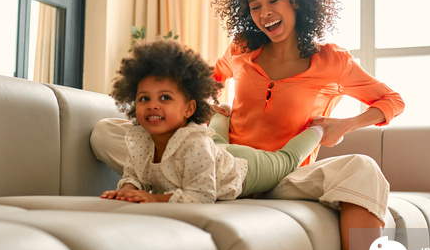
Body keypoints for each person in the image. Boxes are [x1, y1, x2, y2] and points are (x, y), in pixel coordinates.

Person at [91, 0, 404, 250]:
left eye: (273, 1)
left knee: (363, 169)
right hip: (218, 165)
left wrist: (343, 125)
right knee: (105, 130)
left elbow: (392, 101)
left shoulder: (332, 62)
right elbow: (208, 80)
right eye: (255, 6)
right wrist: (208, 109)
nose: (264, 12)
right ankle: (190, 186)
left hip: (285, 176)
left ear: (296, 1)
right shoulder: (242, 48)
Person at [100, 38, 323, 204]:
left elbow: (201, 195)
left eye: (165, 97)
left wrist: (154, 199)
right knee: (216, 142)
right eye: (144, 98)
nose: (153, 105)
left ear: (189, 108)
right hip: (215, 153)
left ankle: (320, 129)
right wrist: (126, 190)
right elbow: (134, 175)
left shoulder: (195, 143)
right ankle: (222, 114)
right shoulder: (139, 138)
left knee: (285, 160)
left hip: (243, 168)